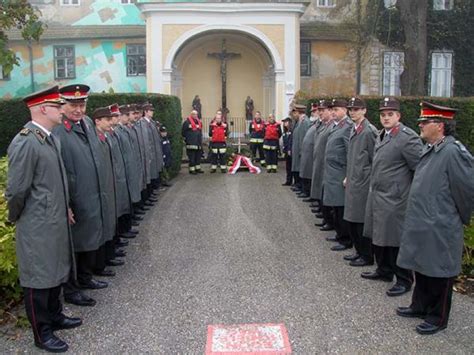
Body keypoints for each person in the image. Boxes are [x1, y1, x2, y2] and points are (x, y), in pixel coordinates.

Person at [6, 86, 81, 353]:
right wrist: (16, 217)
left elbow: (54, 183)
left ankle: (55, 316)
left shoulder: (49, 139)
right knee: (38, 277)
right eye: (58, 107)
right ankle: (42, 332)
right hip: (37, 223)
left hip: (53, 219)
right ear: (42, 109)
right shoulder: (26, 141)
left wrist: (65, 208)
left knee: (54, 270)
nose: (64, 111)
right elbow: (16, 190)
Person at [396, 102, 474, 335]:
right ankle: (419, 306)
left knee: (439, 271)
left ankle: (437, 317)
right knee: (422, 266)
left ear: (439, 126)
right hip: (423, 222)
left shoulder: (453, 152)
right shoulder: (431, 148)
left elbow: (466, 190)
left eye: (425, 122)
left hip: (441, 224)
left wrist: (450, 217)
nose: (420, 125)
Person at [362, 97, 423, 297]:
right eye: (383, 115)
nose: (386, 118)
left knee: (396, 240)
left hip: (397, 198)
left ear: (399, 116)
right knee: (380, 236)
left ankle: (404, 280)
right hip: (380, 195)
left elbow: (419, 169)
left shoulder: (407, 137)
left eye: (390, 114)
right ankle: (384, 270)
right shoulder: (382, 135)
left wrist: (408, 194)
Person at [54, 85, 107, 308]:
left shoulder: (85, 123)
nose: (78, 109)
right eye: (73, 105)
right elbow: (59, 172)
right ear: (62, 106)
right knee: (74, 246)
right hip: (75, 197)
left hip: (91, 192)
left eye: (82, 104)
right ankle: (72, 289)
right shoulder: (59, 131)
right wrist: (66, 204)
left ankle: (85, 278)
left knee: (89, 240)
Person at [343, 97, 377, 266]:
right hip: (353, 181)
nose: (352, 112)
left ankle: (367, 255)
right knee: (352, 220)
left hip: (363, 184)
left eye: (356, 109)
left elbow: (374, 159)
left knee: (361, 221)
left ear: (364, 110)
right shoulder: (354, 128)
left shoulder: (369, 131)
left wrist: (366, 179)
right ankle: (359, 251)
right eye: (351, 109)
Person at [321, 99, 353, 251]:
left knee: (341, 207)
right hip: (332, 173)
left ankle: (345, 239)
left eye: (337, 109)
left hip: (340, 173)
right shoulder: (337, 125)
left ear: (345, 110)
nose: (333, 112)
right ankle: (340, 234)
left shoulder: (347, 127)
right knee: (335, 205)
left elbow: (349, 153)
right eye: (332, 110)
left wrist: (348, 174)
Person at [311, 99, 336, 231]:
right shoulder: (325, 125)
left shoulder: (332, 126)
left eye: (322, 110)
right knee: (322, 192)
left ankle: (329, 221)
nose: (320, 113)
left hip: (329, 167)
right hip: (321, 163)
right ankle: (326, 218)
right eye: (319, 111)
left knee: (328, 196)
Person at [299, 103, 320, 201]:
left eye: (315, 111)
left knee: (310, 175)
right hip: (308, 152)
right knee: (307, 173)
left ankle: (310, 194)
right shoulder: (313, 123)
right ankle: (308, 192)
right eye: (312, 111)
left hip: (312, 154)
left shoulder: (317, 124)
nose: (313, 113)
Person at [291, 104, 311, 194]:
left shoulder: (304, 122)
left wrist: (301, 151)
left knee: (301, 169)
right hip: (297, 150)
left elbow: (303, 138)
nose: (293, 115)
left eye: (294, 113)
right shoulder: (299, 122)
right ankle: (299, 186)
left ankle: (302, 188)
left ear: (298, 112)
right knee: (298, 168)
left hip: (301, 151)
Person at [182, 110, 204, 174]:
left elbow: (200, 131)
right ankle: (192, 170)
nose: (195, 115)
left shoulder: (199, 122)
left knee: (198, 157)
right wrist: (187, 139)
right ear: (191, 115)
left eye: (196, 114)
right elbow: (183, 132)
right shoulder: (187, 122)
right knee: (192, 157)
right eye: (194, 114)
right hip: (191, 143)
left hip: (198, 143)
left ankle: (198, 168)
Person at [281, 117, 293, 185]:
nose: (284, 123)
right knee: (288, 167)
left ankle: (291, 180)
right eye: (284, 122)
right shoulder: (285, 132)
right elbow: (284, 142)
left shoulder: (291, 131)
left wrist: (289, 149)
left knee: (291, 167)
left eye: (286, 122)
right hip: (286, 151)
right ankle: (288, 180)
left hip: (290, 151)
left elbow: (290, 141)